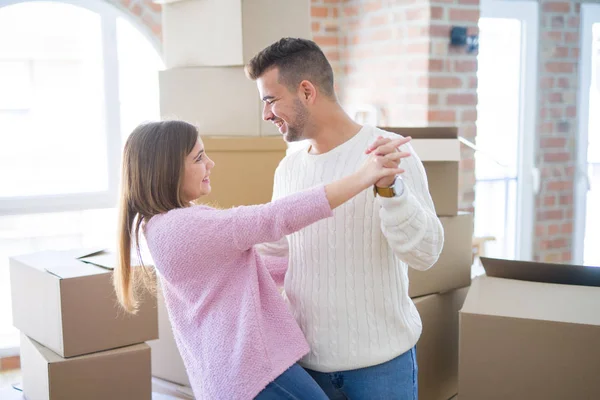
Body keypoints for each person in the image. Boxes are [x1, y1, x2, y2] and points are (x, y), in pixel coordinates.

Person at [112, 120, 407, 400]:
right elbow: (272, 217)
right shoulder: (182, 227)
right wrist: (363, 176)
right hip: (253, 373)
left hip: (237, 377)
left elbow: (250, 273)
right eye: (199, 157)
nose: (210, 164)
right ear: (168, 169)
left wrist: (321, 259)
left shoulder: (162, 227)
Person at [246, 38, 445, 399]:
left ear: (306, 91)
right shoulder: (288, 168)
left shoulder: (390, 152)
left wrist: (390, 191)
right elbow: (272, 252)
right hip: (307, 369)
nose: (266, 114)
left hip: (382, 367)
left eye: (270, 100)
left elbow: (426, 253)